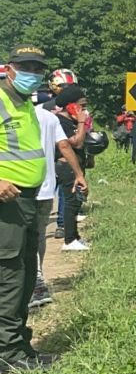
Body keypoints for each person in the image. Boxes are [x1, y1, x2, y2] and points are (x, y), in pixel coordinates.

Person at [0, 45, 55, 373]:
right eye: (26, 67)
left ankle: (19, 346)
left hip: (28, 200)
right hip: (7, 202)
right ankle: (8, 353)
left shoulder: (25, 104)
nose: (32, 73)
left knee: (24, 274)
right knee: (11, 276)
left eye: (37, 68)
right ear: (9, 68)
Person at [31, 81, 85, 308]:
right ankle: (35, 280)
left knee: (31, 236)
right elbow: (69, 145)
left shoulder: (44, 117)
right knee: (34, 235)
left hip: (36, 185)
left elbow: (65, 146)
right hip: (36, 185)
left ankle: (35, 281)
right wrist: (79, 174)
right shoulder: (51, 118)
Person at [45, 89, 90, 251]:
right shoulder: (61, 122)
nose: (84, 111)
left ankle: (75, 236)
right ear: (70, 106)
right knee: (70, 202)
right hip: (66, 167)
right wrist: (81, 123)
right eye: (81, 107)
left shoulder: (68, 121)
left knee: (76, 200)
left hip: (74, 166)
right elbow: (76, 142)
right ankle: (69, 239)